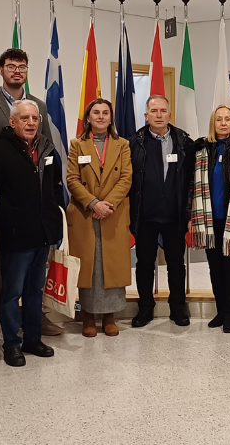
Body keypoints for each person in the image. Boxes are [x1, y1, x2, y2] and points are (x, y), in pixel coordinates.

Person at [0, 48, 62, 340]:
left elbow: (45, 148)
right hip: (1, 200)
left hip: (36, 214)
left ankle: (35, 322)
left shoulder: (39, 105)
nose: (17, 71)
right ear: (1, 70)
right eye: (11, 66)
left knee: (34, 275)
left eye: (21, 66)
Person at [0, 100, 64, 367]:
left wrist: (54, 218)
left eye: (34, 118)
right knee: (11, 292)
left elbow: (56, 187)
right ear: (12, 122)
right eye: (24, 118)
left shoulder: (48, 150)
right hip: (15, 235)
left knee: (34, 290)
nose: (30, 123)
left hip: (43, 233)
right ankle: (12, 344)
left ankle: (32, 339)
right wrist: (12, 219)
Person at [66, 99, 133, 337]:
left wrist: (107, 205)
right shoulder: (77, 145)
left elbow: (126, 178)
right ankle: (88, 317)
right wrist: (94, 203)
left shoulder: (122, 145)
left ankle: (110, 316)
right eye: (96, 112)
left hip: (112, 213)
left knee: (111, 266)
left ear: (111, 118)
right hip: (86, 213)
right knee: (91, 268)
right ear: (88, 118)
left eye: (106, 113)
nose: (101, 116)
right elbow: (72, 179)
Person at [188, 105, 230, 333]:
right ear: (213, 123)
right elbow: (191, 185)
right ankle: (219, 310)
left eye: (228, 119)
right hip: (207, 220)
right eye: (219, 119)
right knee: (215, 268)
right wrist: (191, 214)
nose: (224, 123)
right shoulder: (201, 149)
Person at [129, 95, 194, 328]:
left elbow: (190, 181)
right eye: (153, 111)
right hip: (145, 215)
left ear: (169, 114)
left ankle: (178, 308)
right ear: (146, 116)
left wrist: (188, 213)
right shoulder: (134, 143)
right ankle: (145, 308)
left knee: (176, 265)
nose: (158, 115)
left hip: (174, 216)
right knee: (144, 264)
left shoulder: (184, 142)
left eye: (163, 111)